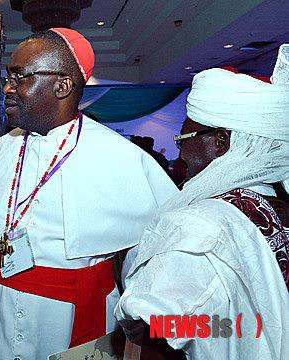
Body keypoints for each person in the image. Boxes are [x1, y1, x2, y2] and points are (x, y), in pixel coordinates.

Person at [0, 28, 177, 359]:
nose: (7, 87)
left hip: (70, 315)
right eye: (8, 76)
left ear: (62, 86)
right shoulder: (0, 150)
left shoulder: (120, 156)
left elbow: (156, 247)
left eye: (20, 78)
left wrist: (143, 304)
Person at [115, 44, 289, 359]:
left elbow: (150, 325)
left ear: (220, 142)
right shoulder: (279, 203)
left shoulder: (201, 225)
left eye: (183, 140)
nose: (179, 152)